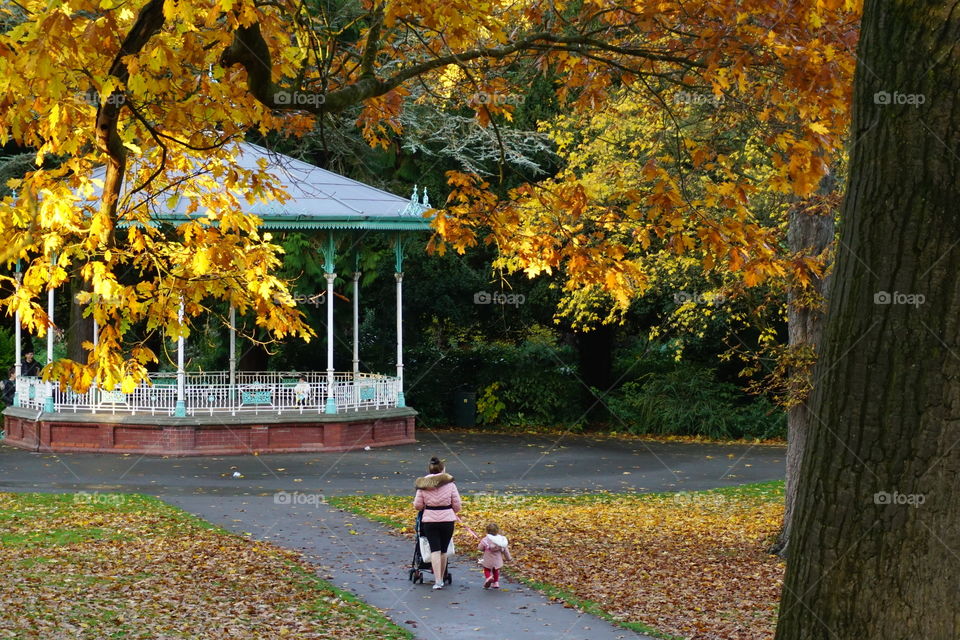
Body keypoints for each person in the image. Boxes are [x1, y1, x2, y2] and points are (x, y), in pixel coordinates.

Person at [413, 456, 461, 589]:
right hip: (447, 520)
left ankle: (438, 581)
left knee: (435, 549)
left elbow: (417, 505)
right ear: (443, 469)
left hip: (430, 520)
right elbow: (457, 505)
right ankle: (442, 576)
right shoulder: (450, 485)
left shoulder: (423, 485)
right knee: (444, 550)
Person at [477, 522, 511, 589]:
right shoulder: (501, 540)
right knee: (496, 570)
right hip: (497, 559)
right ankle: (496, 583)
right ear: (497, 530)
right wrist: (508, 558)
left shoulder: (485, 539)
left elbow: (480, 548)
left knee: (486, 569)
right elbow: (506, 551)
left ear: (487, 531)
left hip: (488, 558)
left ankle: (488, 578)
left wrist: (484, 548)